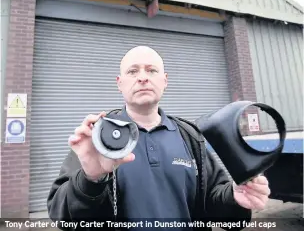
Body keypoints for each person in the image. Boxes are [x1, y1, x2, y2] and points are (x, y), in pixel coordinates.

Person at [47, 46, 270, 230]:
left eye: (151, 70)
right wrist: (90, 179)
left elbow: (219, 207)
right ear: (119, 83)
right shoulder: (99, 138)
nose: (143, 77)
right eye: (133, 71)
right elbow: (63, 217)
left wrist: (235, 197)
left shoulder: (191, 137)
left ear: (165, 80)